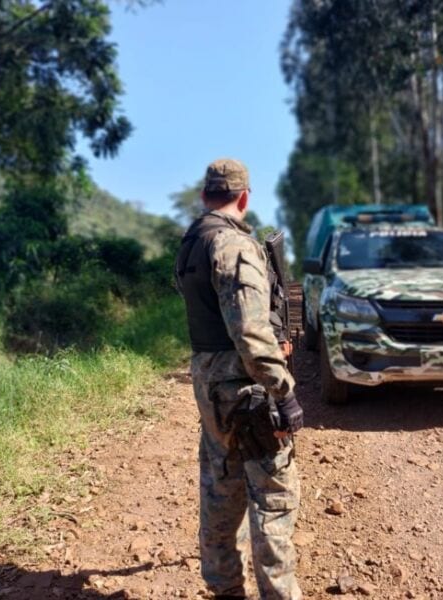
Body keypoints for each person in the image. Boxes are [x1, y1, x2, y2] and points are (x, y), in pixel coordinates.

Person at [175, 158, 304, 600]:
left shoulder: (192, 241)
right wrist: (282, 390)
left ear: (204, 195)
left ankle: (224, 588)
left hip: (209, 381)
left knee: (220, 481)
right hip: (245, 386)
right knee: (272, 493)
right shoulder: (234, 246)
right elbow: (250, 332)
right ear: (244, 198)